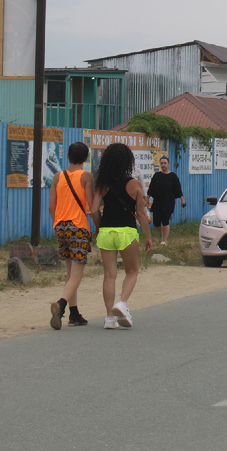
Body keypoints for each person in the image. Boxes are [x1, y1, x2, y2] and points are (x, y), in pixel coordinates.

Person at [90, 143, 153, 330]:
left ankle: (110, 318)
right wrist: (148, 236)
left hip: (106, 232)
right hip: (126, 232)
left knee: (109, 276)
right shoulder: (134, 184)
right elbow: (141, 214)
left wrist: (100, 227)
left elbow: (93, 210)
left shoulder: (102, 184)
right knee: (132, 271)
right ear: (127, 161)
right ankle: (122, 303)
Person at [47, 141, 94, 329]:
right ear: (85, 159)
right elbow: (91, 204)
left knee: (69, 272)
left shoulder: (58, 177)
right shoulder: (86, 176)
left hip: (60, 226)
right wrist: (97, 224)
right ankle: (61, 305)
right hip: (78, 227)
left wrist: (57, 222)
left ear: (67, 156)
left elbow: (51, 206)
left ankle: (74, 314)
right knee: (77, 274)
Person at [147, 155, 186, 246]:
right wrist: (147, 199)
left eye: (165, 163)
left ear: (168, 164)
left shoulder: (173, 176)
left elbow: (178, 189)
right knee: (156, 222)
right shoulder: (157, 176)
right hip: (157, 202)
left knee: (165, 220)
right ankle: (161, 234)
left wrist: (182, 200)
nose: (163, 165)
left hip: (168, 202)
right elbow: (151, 189)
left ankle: (164, 241)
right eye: (161, 163)